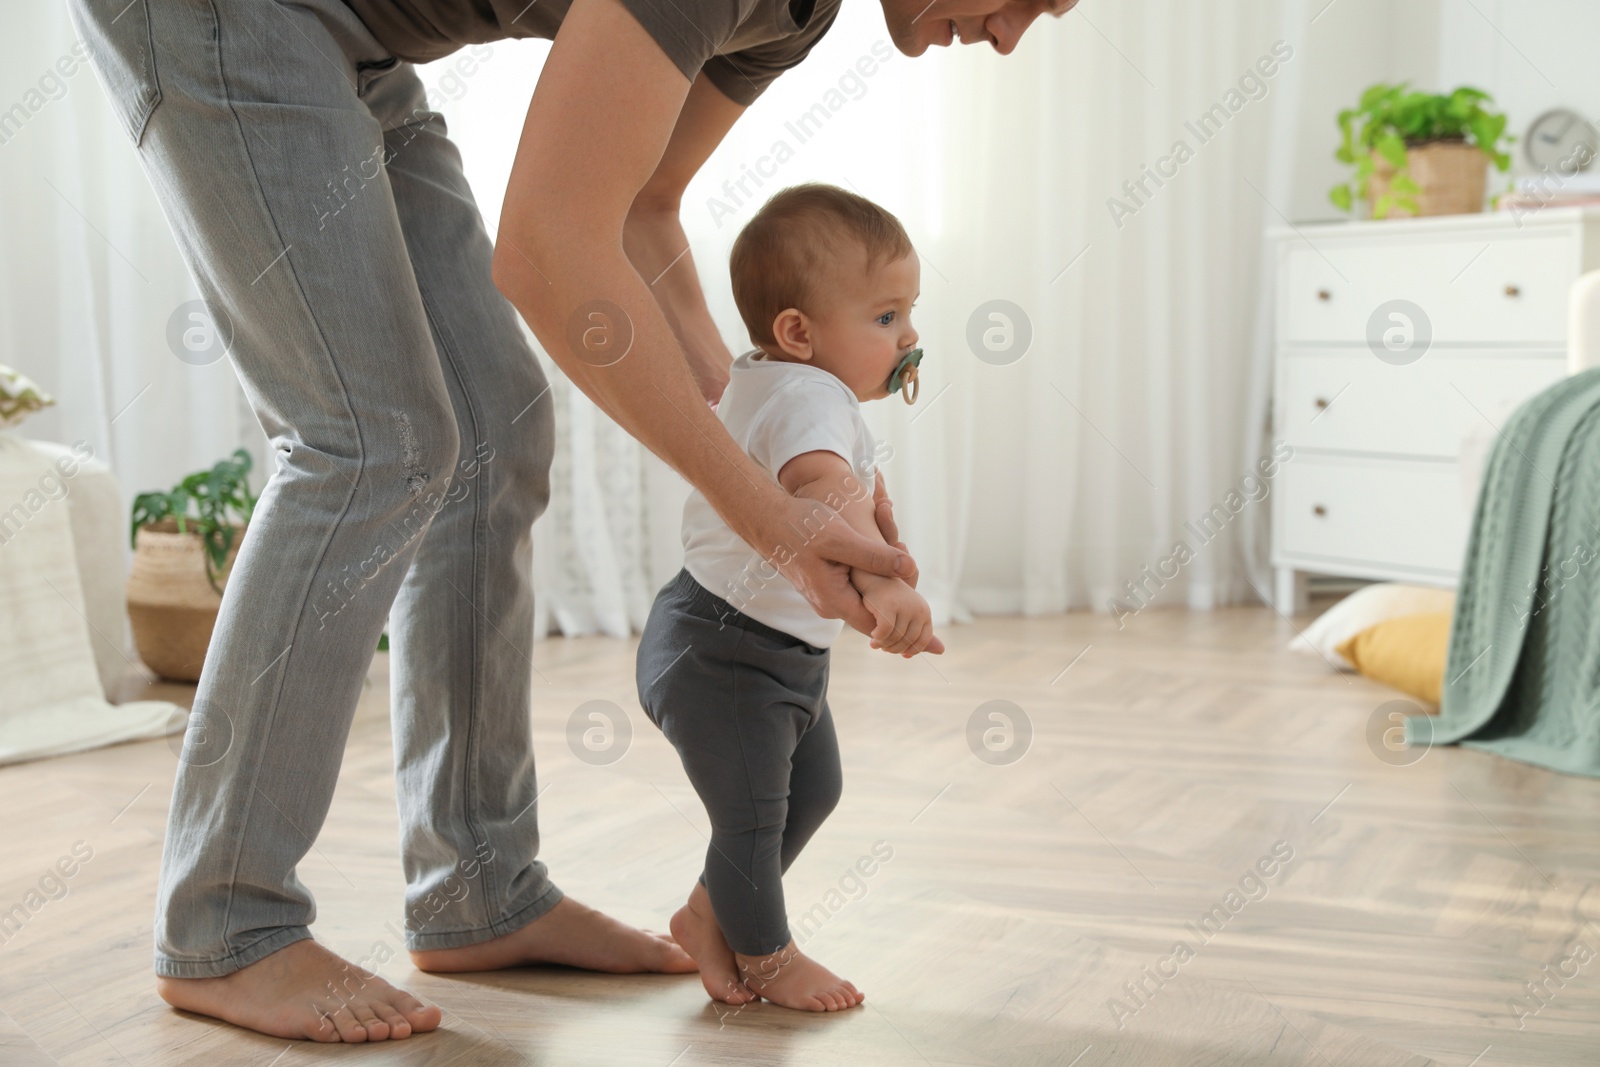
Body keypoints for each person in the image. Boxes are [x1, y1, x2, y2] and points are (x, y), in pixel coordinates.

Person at [65, 0, 1073, 1043]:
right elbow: (548, 254)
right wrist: (764, 513)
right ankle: (225, 918)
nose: (1011, 35)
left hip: (358, 45)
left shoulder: (791, 16)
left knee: (493, 433)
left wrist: (786, 446)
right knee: (374, 440)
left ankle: (475, 883)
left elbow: (642, 210)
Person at [638, 183, 942, 1013]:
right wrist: (881, 578)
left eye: (908, 313)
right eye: (886, 318)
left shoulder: (779, 382)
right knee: (754, 818)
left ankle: (707, 912)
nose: (908, 335)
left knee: (811, 791)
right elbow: (823, 492)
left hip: (770, 648)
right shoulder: (809, 397)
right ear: (799, 332)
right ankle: (766, 957)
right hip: (725, 651)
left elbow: (845, 490)